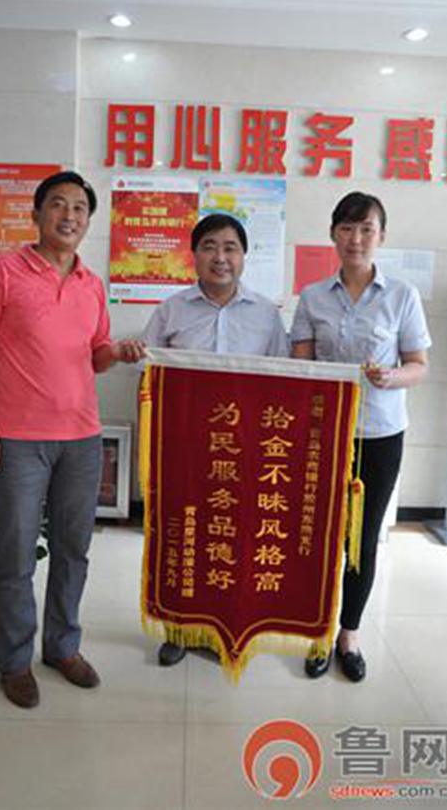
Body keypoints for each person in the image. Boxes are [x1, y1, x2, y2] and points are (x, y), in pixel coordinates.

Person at [0, 171, 145, 708]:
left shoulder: (91, 283)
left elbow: (96, 355)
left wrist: (118, 352)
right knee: (15, 553)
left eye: (80, 208)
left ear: (89, 220)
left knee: (73, 550)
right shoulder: (3, 272)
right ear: (37, 214)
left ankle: (62, 647)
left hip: (82, 439)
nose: (70, 216)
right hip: (18, 439)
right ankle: (14, 660)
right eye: (59, 205)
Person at [290, 191, 431, 682]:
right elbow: (302, 366)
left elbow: (419, 365)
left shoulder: (402, 296)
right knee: (319, 537)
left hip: (379, 434)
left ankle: (348, 634)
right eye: (347, 228)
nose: (356, 239)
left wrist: (391, 377)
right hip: (323, 434)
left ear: (381, 236)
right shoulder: (312, 297)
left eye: (366, 229)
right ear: (333, 234)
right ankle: (316, 630)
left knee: (362, 539)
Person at [142, 212, 289, 666]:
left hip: (243, 450)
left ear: (244, 256)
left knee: (234, 536)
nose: (220, 257)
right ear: (194, 255)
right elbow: (148, 375)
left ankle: (226, 626)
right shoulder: (171, 310)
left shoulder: (266, 315)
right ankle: (179, 627)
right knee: (181, 534)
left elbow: (283, 382)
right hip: (183, 446)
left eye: (230, 248)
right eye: (209, 247)